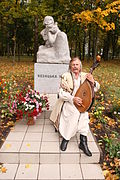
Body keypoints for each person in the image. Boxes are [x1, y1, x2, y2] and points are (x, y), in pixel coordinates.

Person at [50, 57, 100, 156]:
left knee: (84, 114)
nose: (75, 67)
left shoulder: (85, 76)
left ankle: (83, 142)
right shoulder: (66, 76)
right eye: (73, 65)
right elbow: (61, 93)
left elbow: (97, 88)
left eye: (77, 65)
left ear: (80, 66)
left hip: (81, 103)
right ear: (70, 66)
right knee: (75, 113)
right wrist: (73, 99)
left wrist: (93, 82)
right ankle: (66, 138)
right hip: (69, 102)